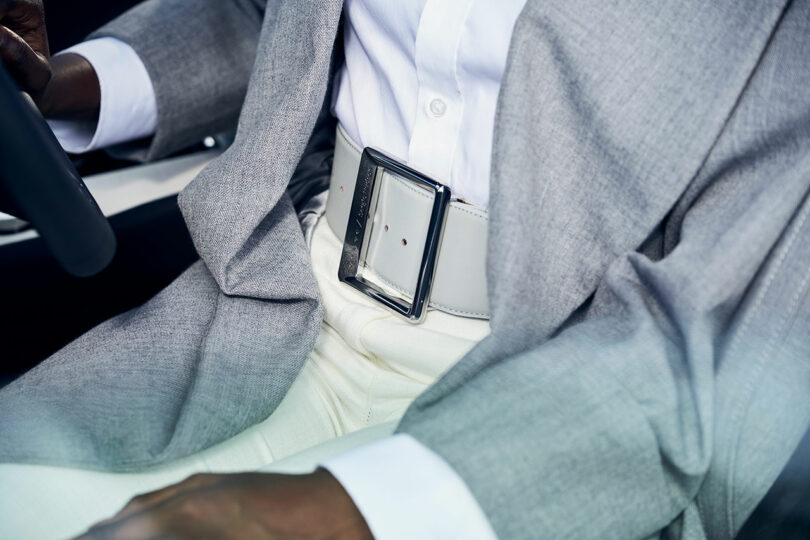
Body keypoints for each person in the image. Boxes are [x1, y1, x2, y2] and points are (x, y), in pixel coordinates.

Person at [1, 0, 810, 538]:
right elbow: (278, 18)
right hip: (276, 299)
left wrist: (359, 508)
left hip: (560, 400)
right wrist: (79, 84)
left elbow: (722, 335)